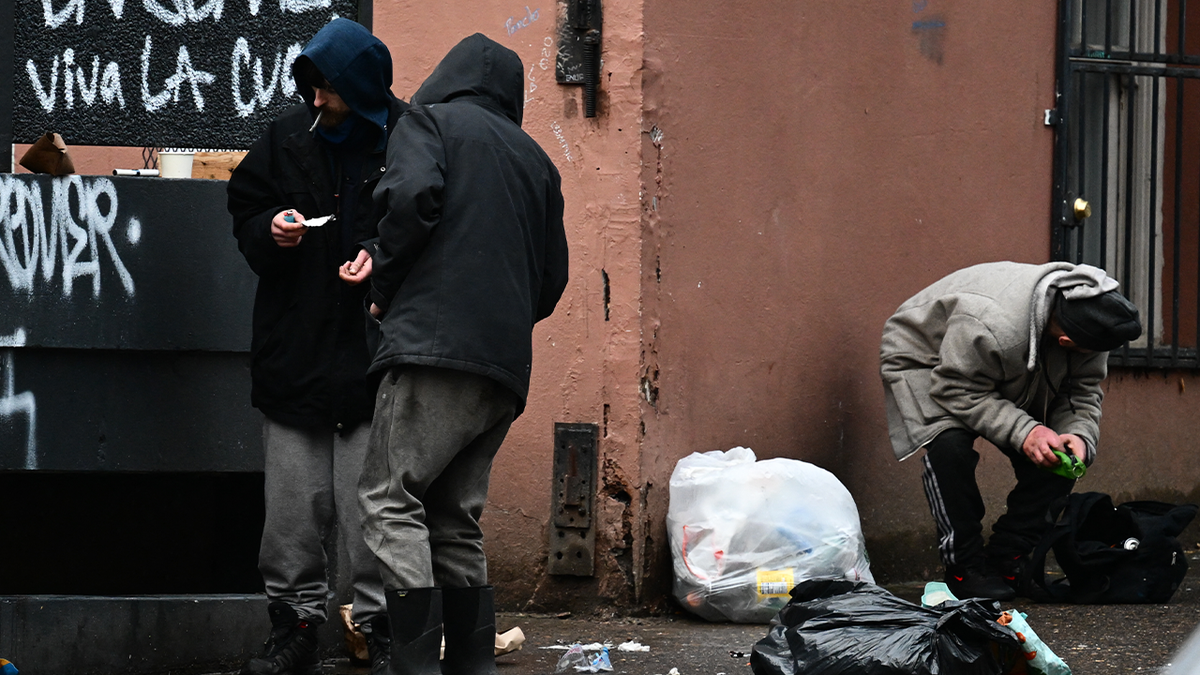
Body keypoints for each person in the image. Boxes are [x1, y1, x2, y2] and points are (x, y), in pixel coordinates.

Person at [357, 33, 569, 675]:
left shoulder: (430, 121)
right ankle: (471, 665)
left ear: (447, 76)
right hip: (502, 369)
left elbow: (409, 199)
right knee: (454, 515)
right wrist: (498, 323)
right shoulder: (537, 160)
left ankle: (415, 664)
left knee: (390, 498)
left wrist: (382, 285)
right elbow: (552, 277)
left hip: (432, 349)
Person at [226, 18, 408, 675]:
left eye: (326, 88)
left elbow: (429, 224)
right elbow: (243, 207)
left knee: (375, 519)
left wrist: (379, 257)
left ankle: (381, 629)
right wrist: (268, 231)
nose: (314, 100)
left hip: (375, 364)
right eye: (309, 86)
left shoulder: (408, 141)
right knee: (291, 517)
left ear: (359, 89)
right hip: (294, 357)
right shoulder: (283, 140)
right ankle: (294, 625)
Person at [880, 261, 1142, 600]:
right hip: (930, 361)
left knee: (1057, 457)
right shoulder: (993, 324)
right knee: (950, 448)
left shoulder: (1090, 318)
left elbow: (1082, 390)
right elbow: (955, 388)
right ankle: (964, 568)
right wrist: (1026, 432)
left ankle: (1008, 557)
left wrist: (1078, 434)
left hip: (1009, 358)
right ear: (1065, 340)